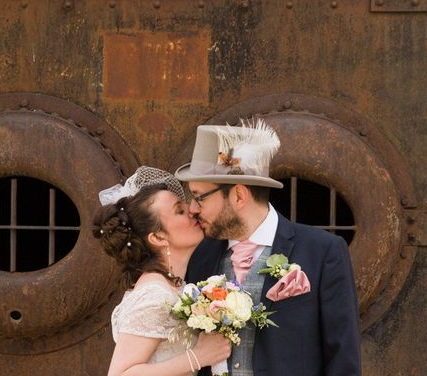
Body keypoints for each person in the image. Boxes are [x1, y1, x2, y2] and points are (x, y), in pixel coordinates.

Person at [175, 119, 361, 376]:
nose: (193, 209)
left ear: (239, 195)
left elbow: (343, 358)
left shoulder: (323, 252)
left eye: (198, 197)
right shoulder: (201, 255)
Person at [93, 166, 232, 376]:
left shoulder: (172, 285)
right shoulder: (155, 295)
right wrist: (198, 357)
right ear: (158, 238)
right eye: (179, 210)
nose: (192, 211)